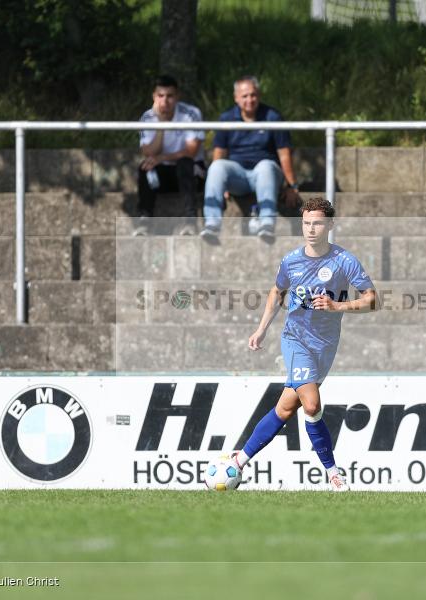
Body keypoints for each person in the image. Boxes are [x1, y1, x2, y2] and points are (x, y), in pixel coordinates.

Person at [236, 196, 378, 491]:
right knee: (311, 404)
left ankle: (237, 461)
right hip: (295, 340)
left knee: (286, 408)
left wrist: (338, 307)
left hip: (325, 347)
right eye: (306, 223)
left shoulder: (344, 261)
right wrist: (261, 328)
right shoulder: (291, 261)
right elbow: (277, 293)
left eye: (317, 223)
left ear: (329, 225)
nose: (311, 229)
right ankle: (333, 472)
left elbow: (372, 300)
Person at [200, 76, 300, 244]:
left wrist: (292, 186)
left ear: (259, 95)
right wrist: (221, 183)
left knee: (265, 166)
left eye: (253, 95)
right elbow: (219, 153)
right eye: (244, 96)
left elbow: (284, 154)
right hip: (238, 175)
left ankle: (267, 223)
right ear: (236, 98)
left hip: (267, 174)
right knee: (217, 167)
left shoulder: (272, 117)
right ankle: (212, 223)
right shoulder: (227, 118)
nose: (249, 100)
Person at [133, 74, 206, 236]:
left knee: (184, 163)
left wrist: (162, 158)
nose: (165, 101)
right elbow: (148, 152)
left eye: (170, 96)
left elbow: (191, 151)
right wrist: (161, 126)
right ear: (154, 97)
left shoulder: (191, 114)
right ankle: (144, 220)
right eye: (160, 96)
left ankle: (190, 221)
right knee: (145, 168)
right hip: (164, 176)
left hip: (191, 173)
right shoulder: (147, 117)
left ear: (177, 96)